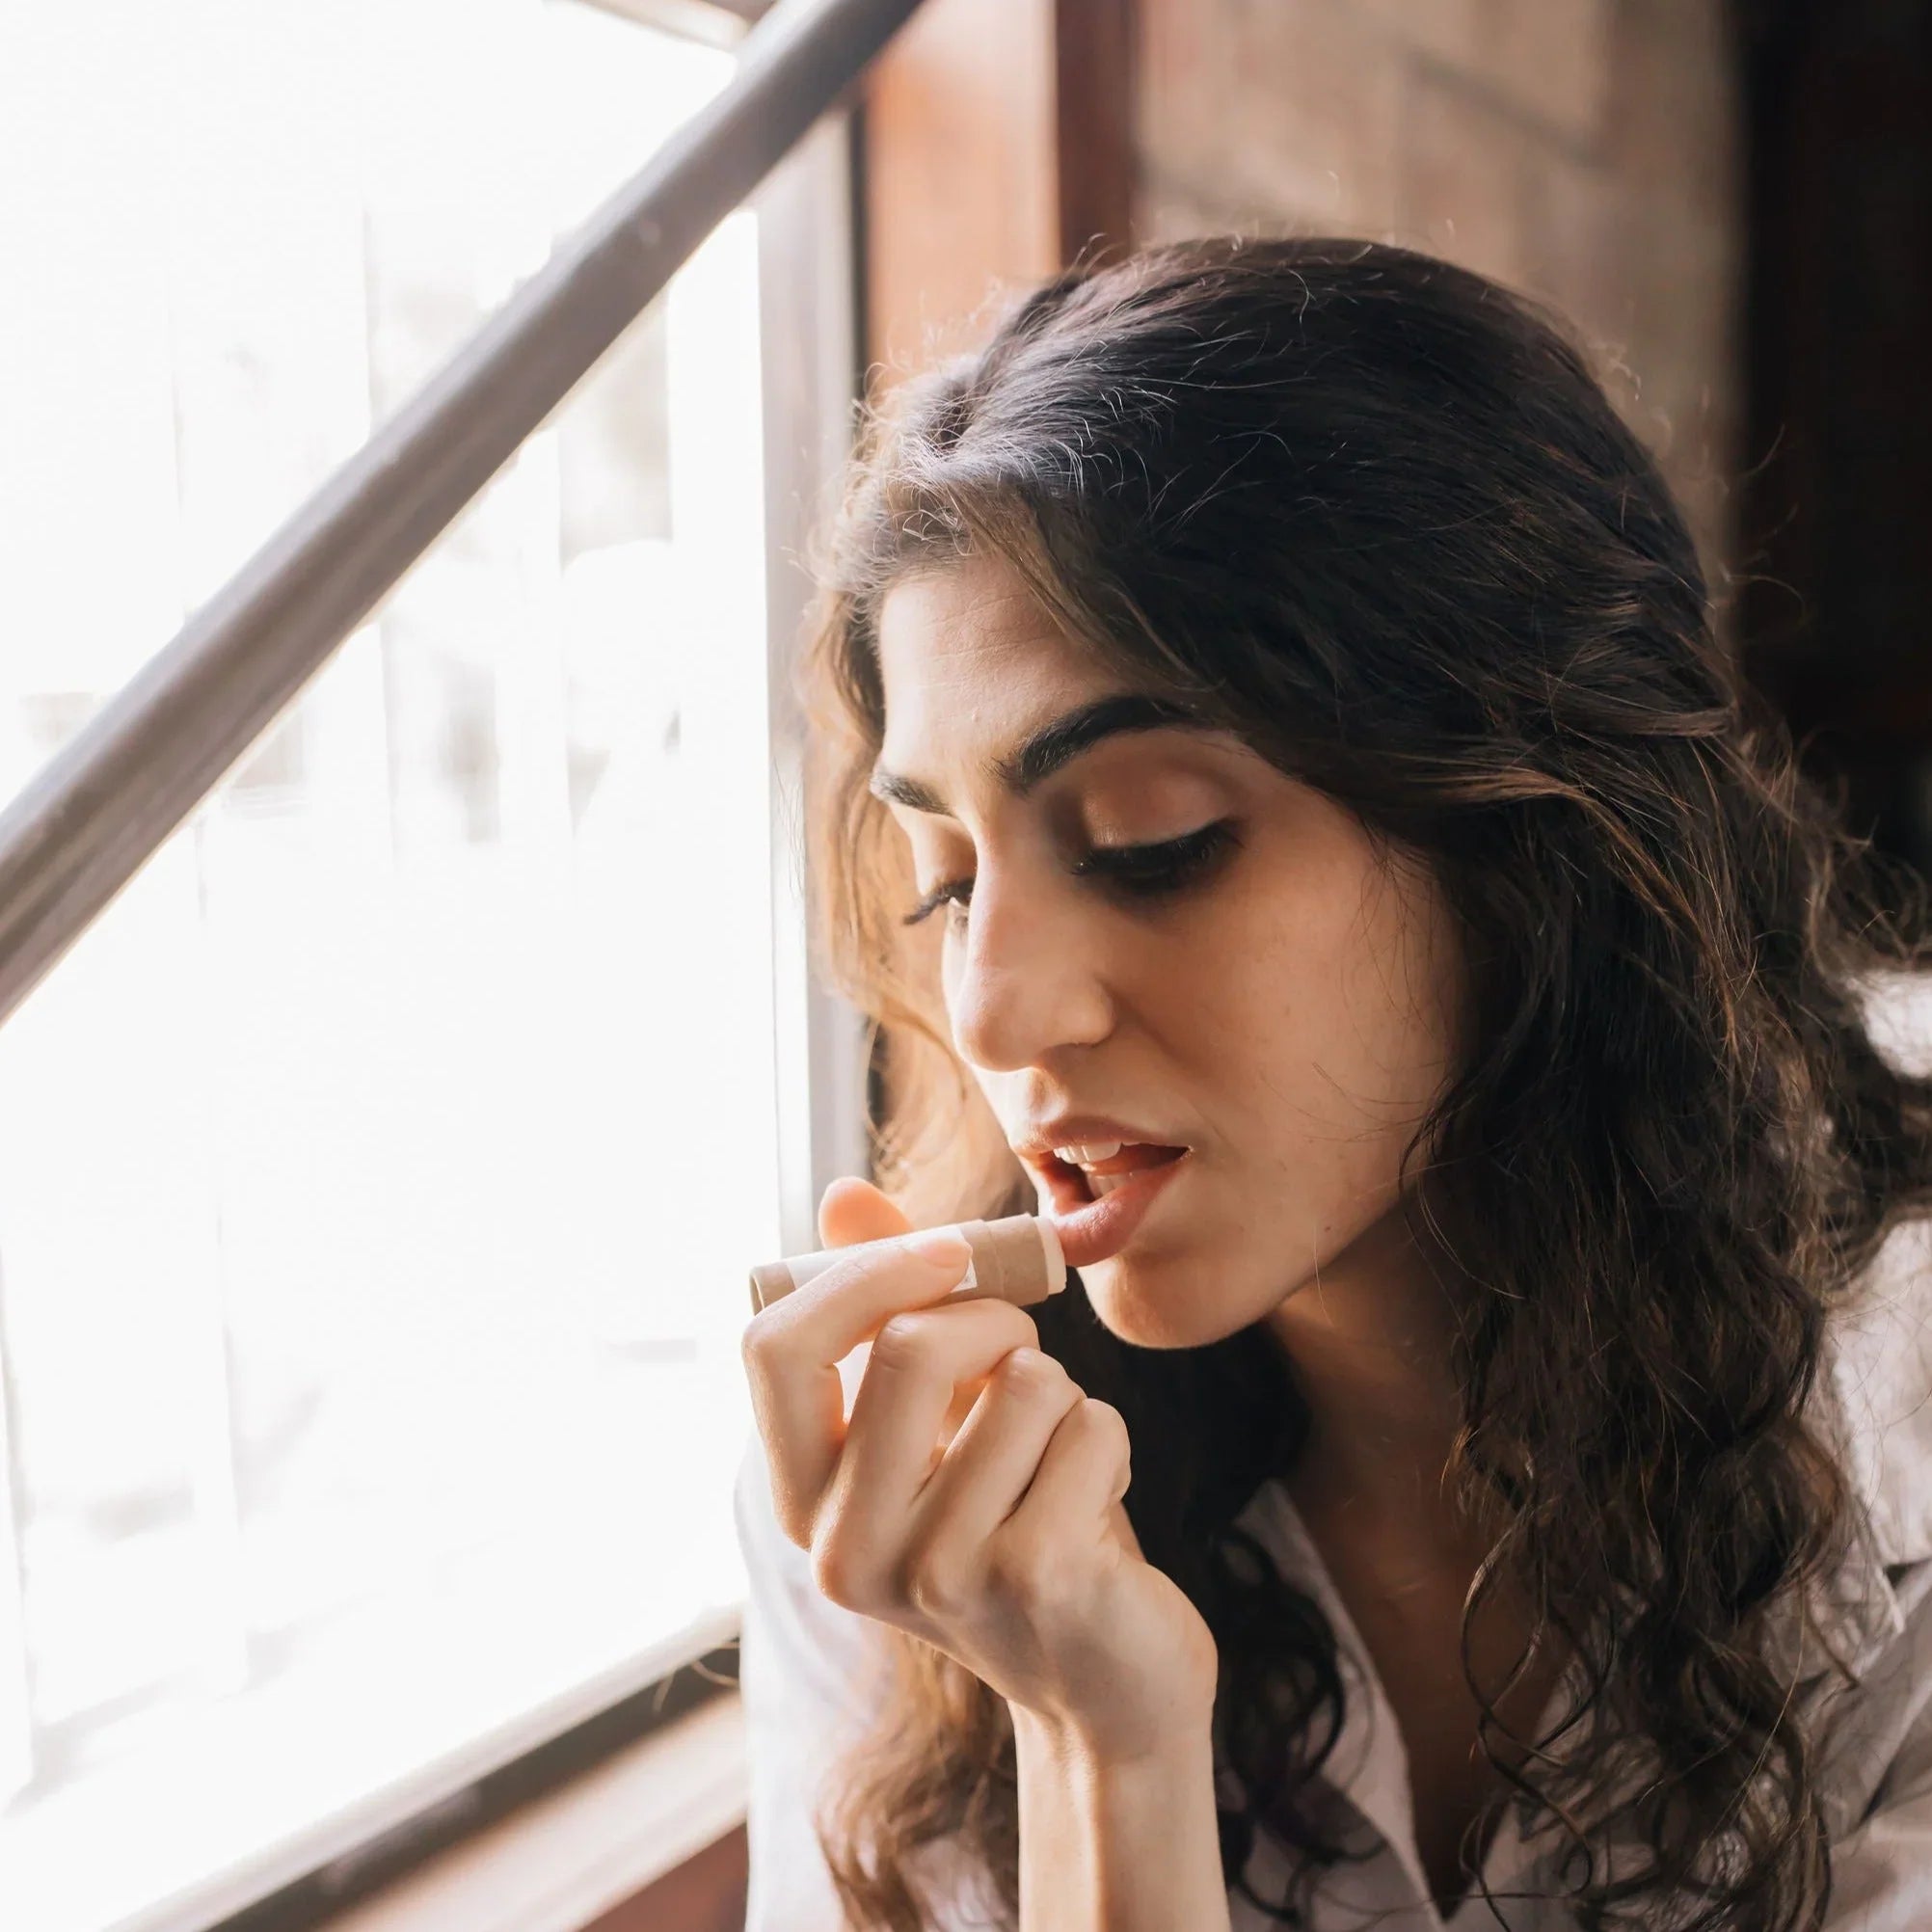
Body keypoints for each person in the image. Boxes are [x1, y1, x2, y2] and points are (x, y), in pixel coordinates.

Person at [734, 234, 1932, 1931]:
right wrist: (1095, 1746)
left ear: (1530, 834)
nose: (995, 1011)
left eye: (1155, 843)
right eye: (944, 879)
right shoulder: (904, 1487)